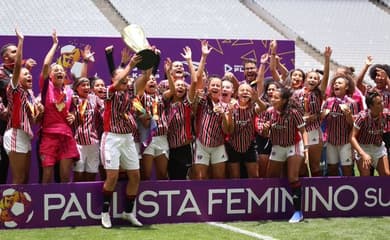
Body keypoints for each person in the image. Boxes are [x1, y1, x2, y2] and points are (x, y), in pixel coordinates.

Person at [100, 52, 151, 229]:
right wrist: (129, 65)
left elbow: (145, 79)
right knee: (112, 177)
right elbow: (119, 81)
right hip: (111, 138)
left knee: (135, 176)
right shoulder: (108, 92)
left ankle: (128, 213)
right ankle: (105, 213)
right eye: (122, 77)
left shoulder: (130, 92)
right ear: (114, 78)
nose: (126, 79)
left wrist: (150, 60)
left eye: (127, 78)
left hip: (128, 138)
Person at [259, 87, 309, 223]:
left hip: (294, 145)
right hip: (278, 146)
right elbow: (264, 134)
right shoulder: (269, 112)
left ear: (284, 100)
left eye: (276, 97)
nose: (272, 99)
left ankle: (298, 212)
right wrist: (265, 130)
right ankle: (272, 210)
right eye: (272, 97)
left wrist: (306, 149)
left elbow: (303, 131)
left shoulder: (293, 113)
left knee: (293, 177)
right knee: (271, 177)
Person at [3, 28, 43, 184]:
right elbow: (18, 64)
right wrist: (20, 41)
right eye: (25, 74)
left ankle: (23, 208)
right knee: (18, 179)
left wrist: (40, 113)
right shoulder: (14, 88)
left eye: (30, 74)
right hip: (15, 134)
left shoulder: (30, 95)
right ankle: (10, 208)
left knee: (25, 179)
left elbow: (33, 121)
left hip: (25, 136)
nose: (29, 75)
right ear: (15, 77)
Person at [39, 30, 79, 183]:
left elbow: (73, 110)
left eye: (61, 70)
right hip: (49, 135)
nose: (59, 71)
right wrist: (55, 44)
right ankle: (43, 205)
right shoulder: (45, 87)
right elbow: (46, 64)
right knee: (47, 176)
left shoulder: (69, 91)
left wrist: (73, 115)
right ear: (50, 76)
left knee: (65, 177)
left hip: (67, 136)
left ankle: (65, 205)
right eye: (55, 70)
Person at [292, 46, 332, 177]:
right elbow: (291, 112)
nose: (313, 80)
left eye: (315, 78)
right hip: (299, 131)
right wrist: (304, 119)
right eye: (310, 77)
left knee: (315, 166)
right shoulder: (296, 93)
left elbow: (326, 76)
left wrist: (327, 59)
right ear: (305, 80)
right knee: (302, 167)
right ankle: (304, 193)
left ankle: (317, 193)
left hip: (314, 131)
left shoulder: (319, 93)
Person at [321, 73, 358, 176]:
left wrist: (348, 115)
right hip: (331, 141)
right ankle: (333, 190)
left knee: (347, 169)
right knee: (332, 169)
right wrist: (323, 115)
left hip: (346, 142)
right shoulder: (328, 102)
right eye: (335, 83)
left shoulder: (351, 103)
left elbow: (354, 125)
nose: (336, 85)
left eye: (339, 83)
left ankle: (349, 190)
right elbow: (320, 120)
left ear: (346, 87)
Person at [351, 91, 390, 176]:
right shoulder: (362, 117)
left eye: (382, 102)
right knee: (366, 176)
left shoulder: (386, 114)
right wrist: (363, 154)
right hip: (363, 147)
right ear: (371, 106)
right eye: (379, 103)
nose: (382, 104)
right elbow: (352, 137)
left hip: (378, 147)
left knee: (386, 174)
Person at [72, 77, 104, 182]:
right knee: (78, 174)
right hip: (78, 142)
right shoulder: (73, 99)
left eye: (87, 85)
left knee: (92, 173)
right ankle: (77, 196)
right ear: (76, 88)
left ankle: (88, 197)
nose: (86, 87)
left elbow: (104, 111)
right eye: (83, 85)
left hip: (93, 142)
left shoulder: (94, 98)